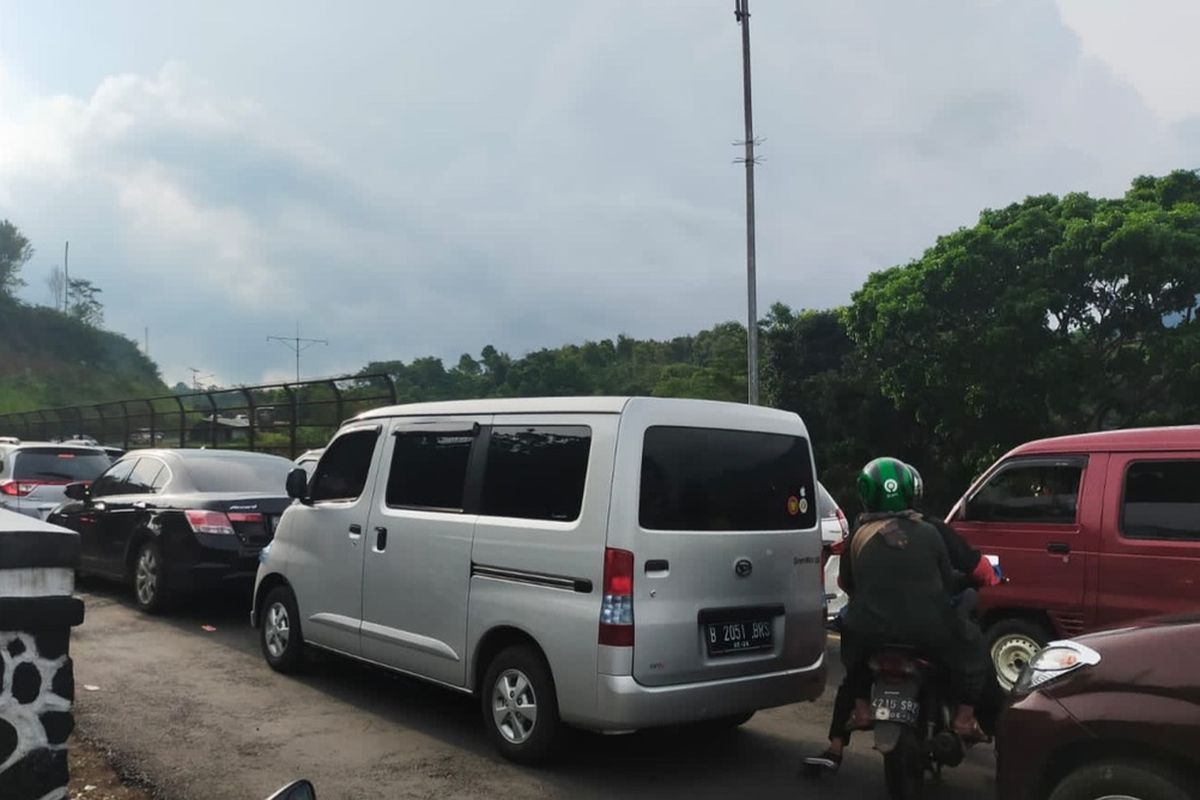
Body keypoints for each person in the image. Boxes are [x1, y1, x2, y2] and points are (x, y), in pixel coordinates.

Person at [803, 458, 989, 775]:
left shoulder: (859, 535)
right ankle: (964, 717)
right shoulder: (931, 531)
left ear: (866, 494)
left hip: (869, 633)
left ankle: (856, 716)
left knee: (855, 664)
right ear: (911, 492)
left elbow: (846, 584)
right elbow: (948, 581)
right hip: (928, 632)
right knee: (973, 650)